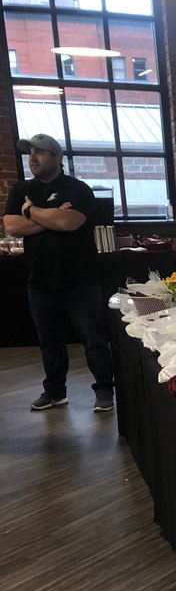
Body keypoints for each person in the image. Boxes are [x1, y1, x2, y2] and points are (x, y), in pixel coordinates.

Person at [3, 133, 115, 412]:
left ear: (57, 156)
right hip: (40, 282)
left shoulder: (77, 190)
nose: (32, 157)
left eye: (40, 152)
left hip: (80, 281)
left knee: (93, 340)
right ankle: (54, 392)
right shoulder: (21, 190)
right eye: (30, 152)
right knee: (49, 342)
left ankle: (104, 390)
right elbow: (13, 227)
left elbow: (68, 223)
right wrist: (50, 215)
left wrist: (31, 211)